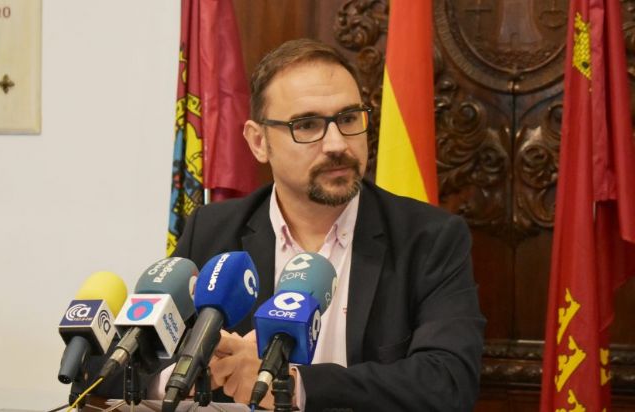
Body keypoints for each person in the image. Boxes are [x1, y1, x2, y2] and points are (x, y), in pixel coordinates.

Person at [172, 38, 486, 411]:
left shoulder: (429, 238)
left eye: (349, 119)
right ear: (258, 142)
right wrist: (189, 373)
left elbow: (448, 382)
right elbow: (137, 361)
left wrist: (295, 385)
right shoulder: (211, 231)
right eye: (307, 125)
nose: (337, 144)